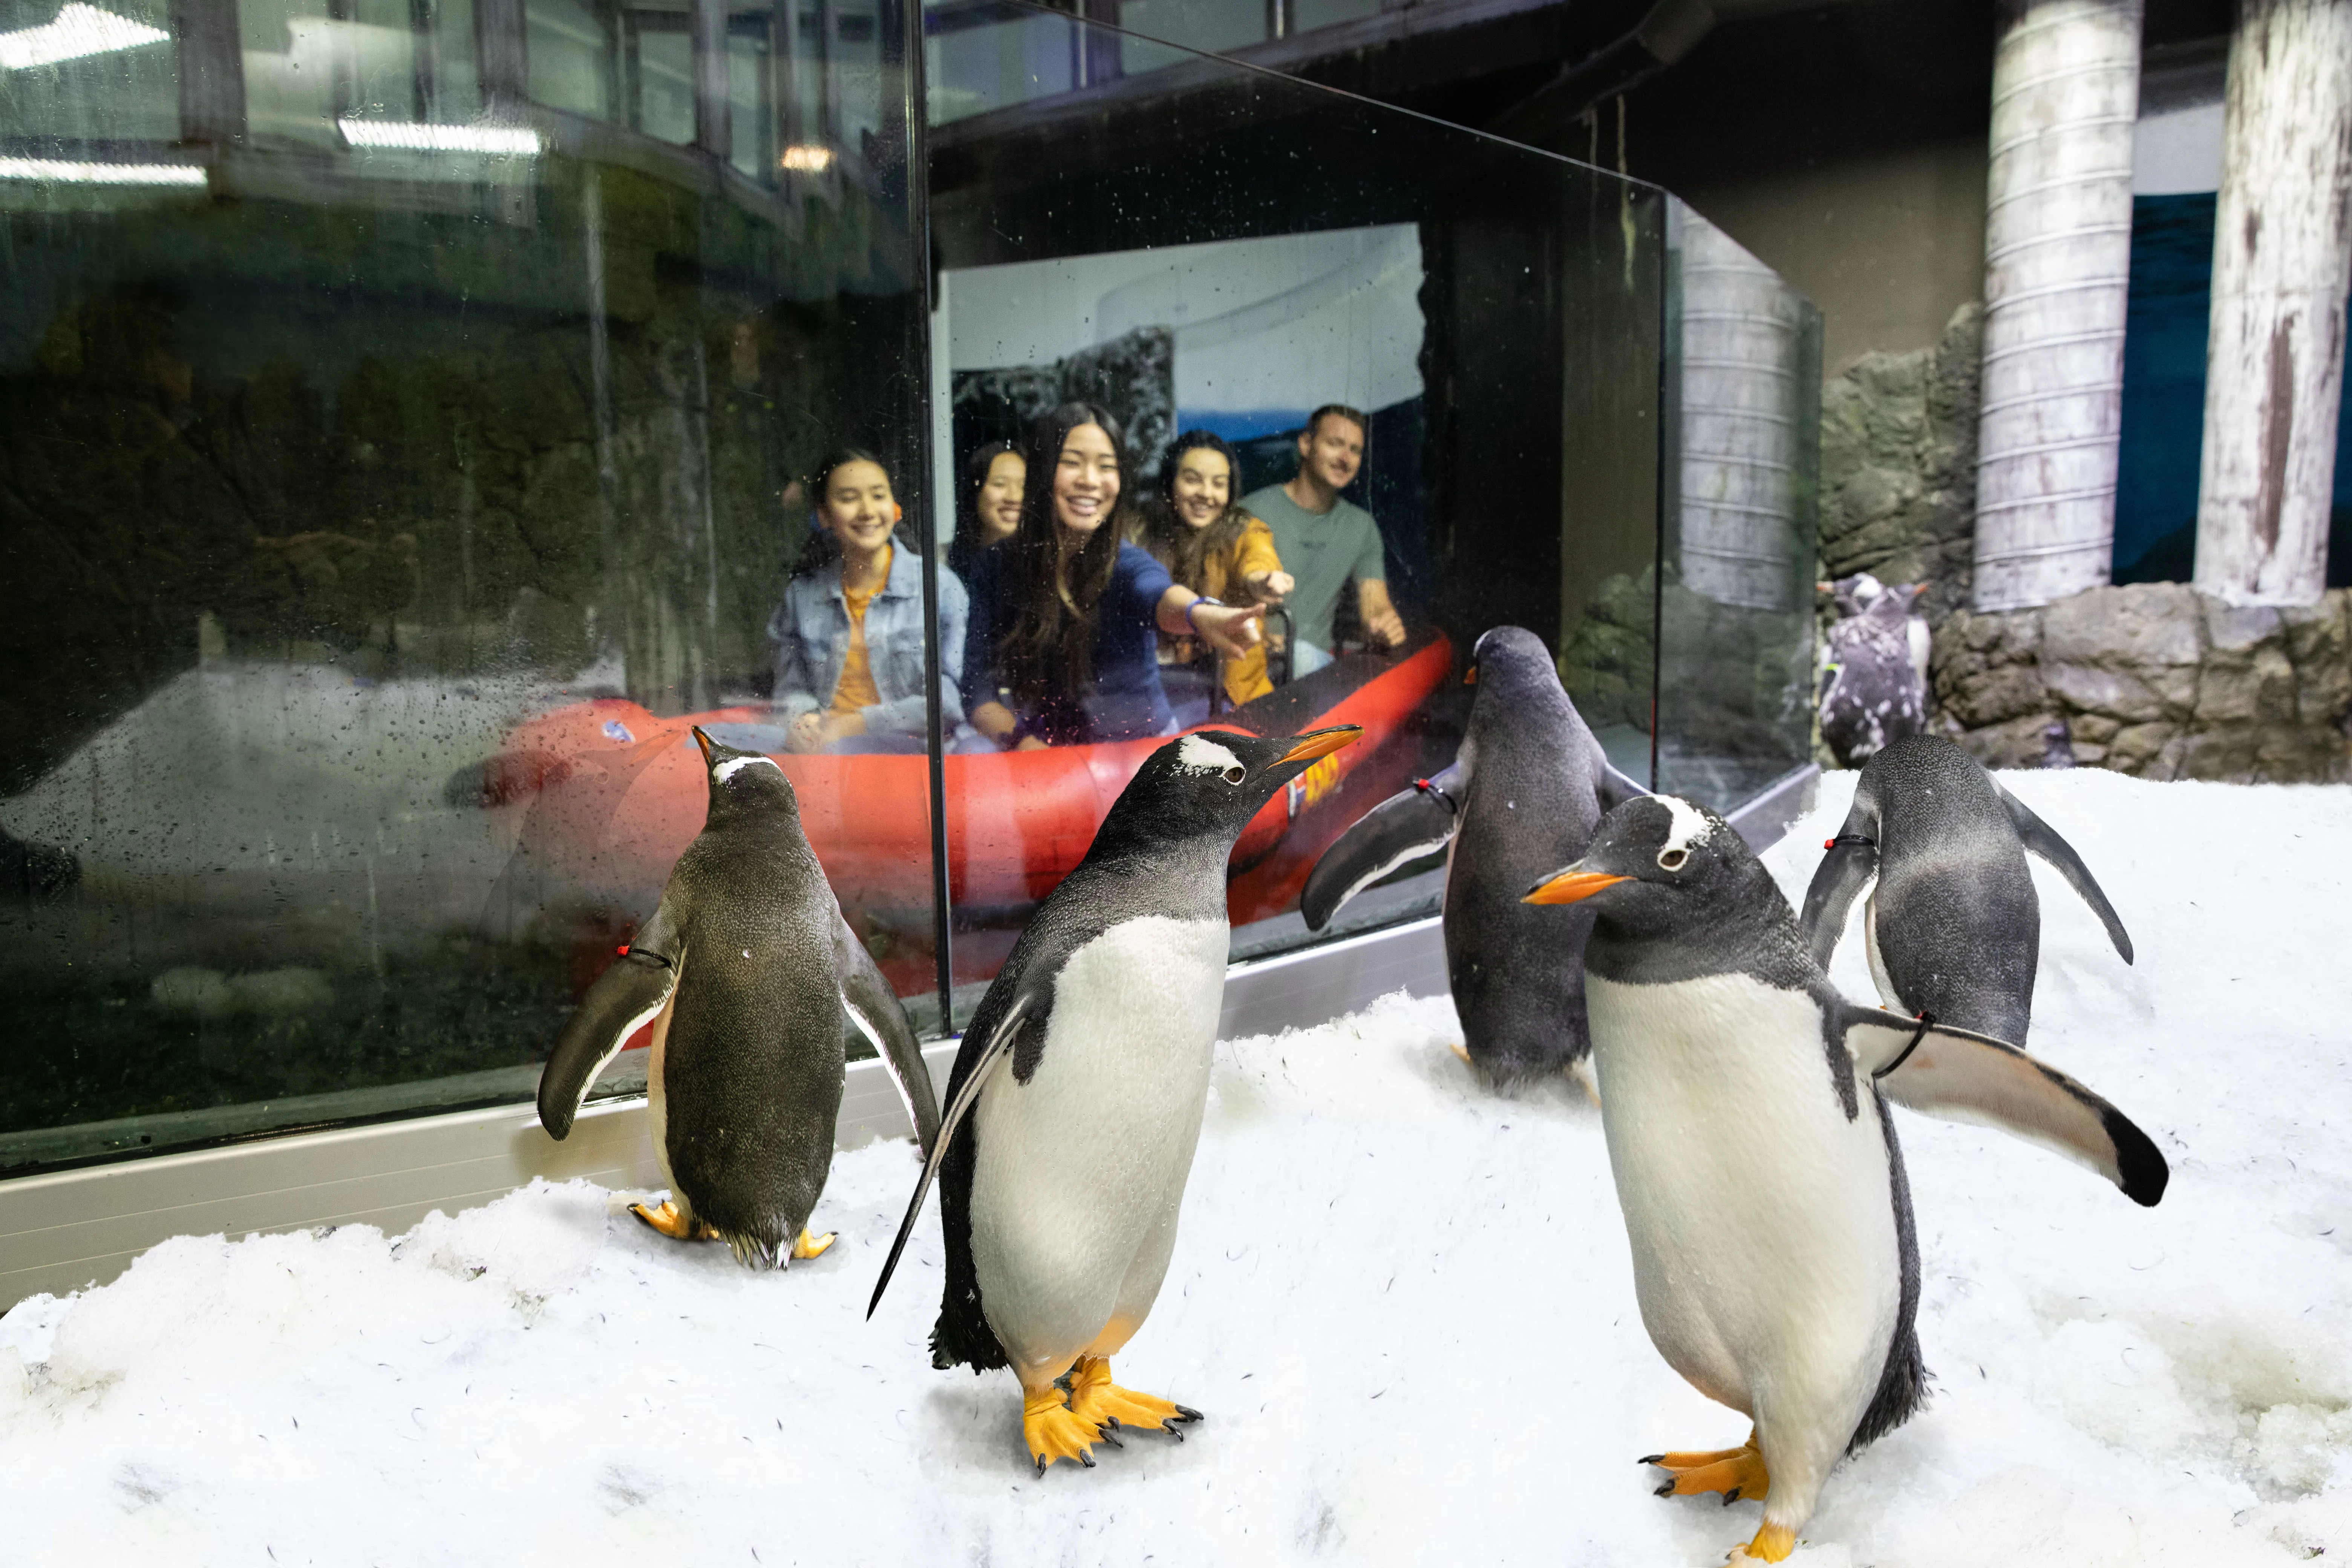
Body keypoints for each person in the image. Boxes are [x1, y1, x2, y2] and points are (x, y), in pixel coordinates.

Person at [962, 403, 1265, 749]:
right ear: (1042, 471)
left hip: (1137, 754)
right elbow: (977, 688)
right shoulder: (996, 565)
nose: (1090, 481)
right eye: (1072, 462)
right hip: (1046, 756)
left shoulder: (1125, 563)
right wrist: (1021, 741)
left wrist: (1202, 614)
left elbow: (1157, 593)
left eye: (1107, 467)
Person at [768, 448, 966, 754]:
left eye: (878, 495)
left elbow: (949, 702)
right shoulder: (801, 596)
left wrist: (852, 726)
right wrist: (802, 720)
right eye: (849, 499)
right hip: (826, 751)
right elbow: (790, 690)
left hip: (916, 752)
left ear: (895, 506)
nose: (867, 511)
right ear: (823, 515)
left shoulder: (939, 587)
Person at [1129, 429, 1294, 707]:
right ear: (1171, 482)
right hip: (1149, 685)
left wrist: (1262, 581)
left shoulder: (1243, 529)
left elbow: (1257, 559)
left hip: (1227, 690)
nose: (1206, 494)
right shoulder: (1140, 528)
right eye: (1193, 480)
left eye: (1218, 484)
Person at [1239, 404, 1406, 674]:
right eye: (1335, 444)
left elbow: (1375, 606)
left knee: (1305, 658)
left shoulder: (1361, 526)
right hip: (1247, 660)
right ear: (1306, 445)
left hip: (1312, 670)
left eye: (1355, 450)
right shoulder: (1252, 511)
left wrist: (1385, 624)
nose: (1345, 458)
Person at [948, 440, 1023, 587]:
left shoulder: (1043, 567)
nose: (1014, 498)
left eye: (1024, 485)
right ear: (975, 493)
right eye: (1000, 484)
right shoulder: (942, 567)